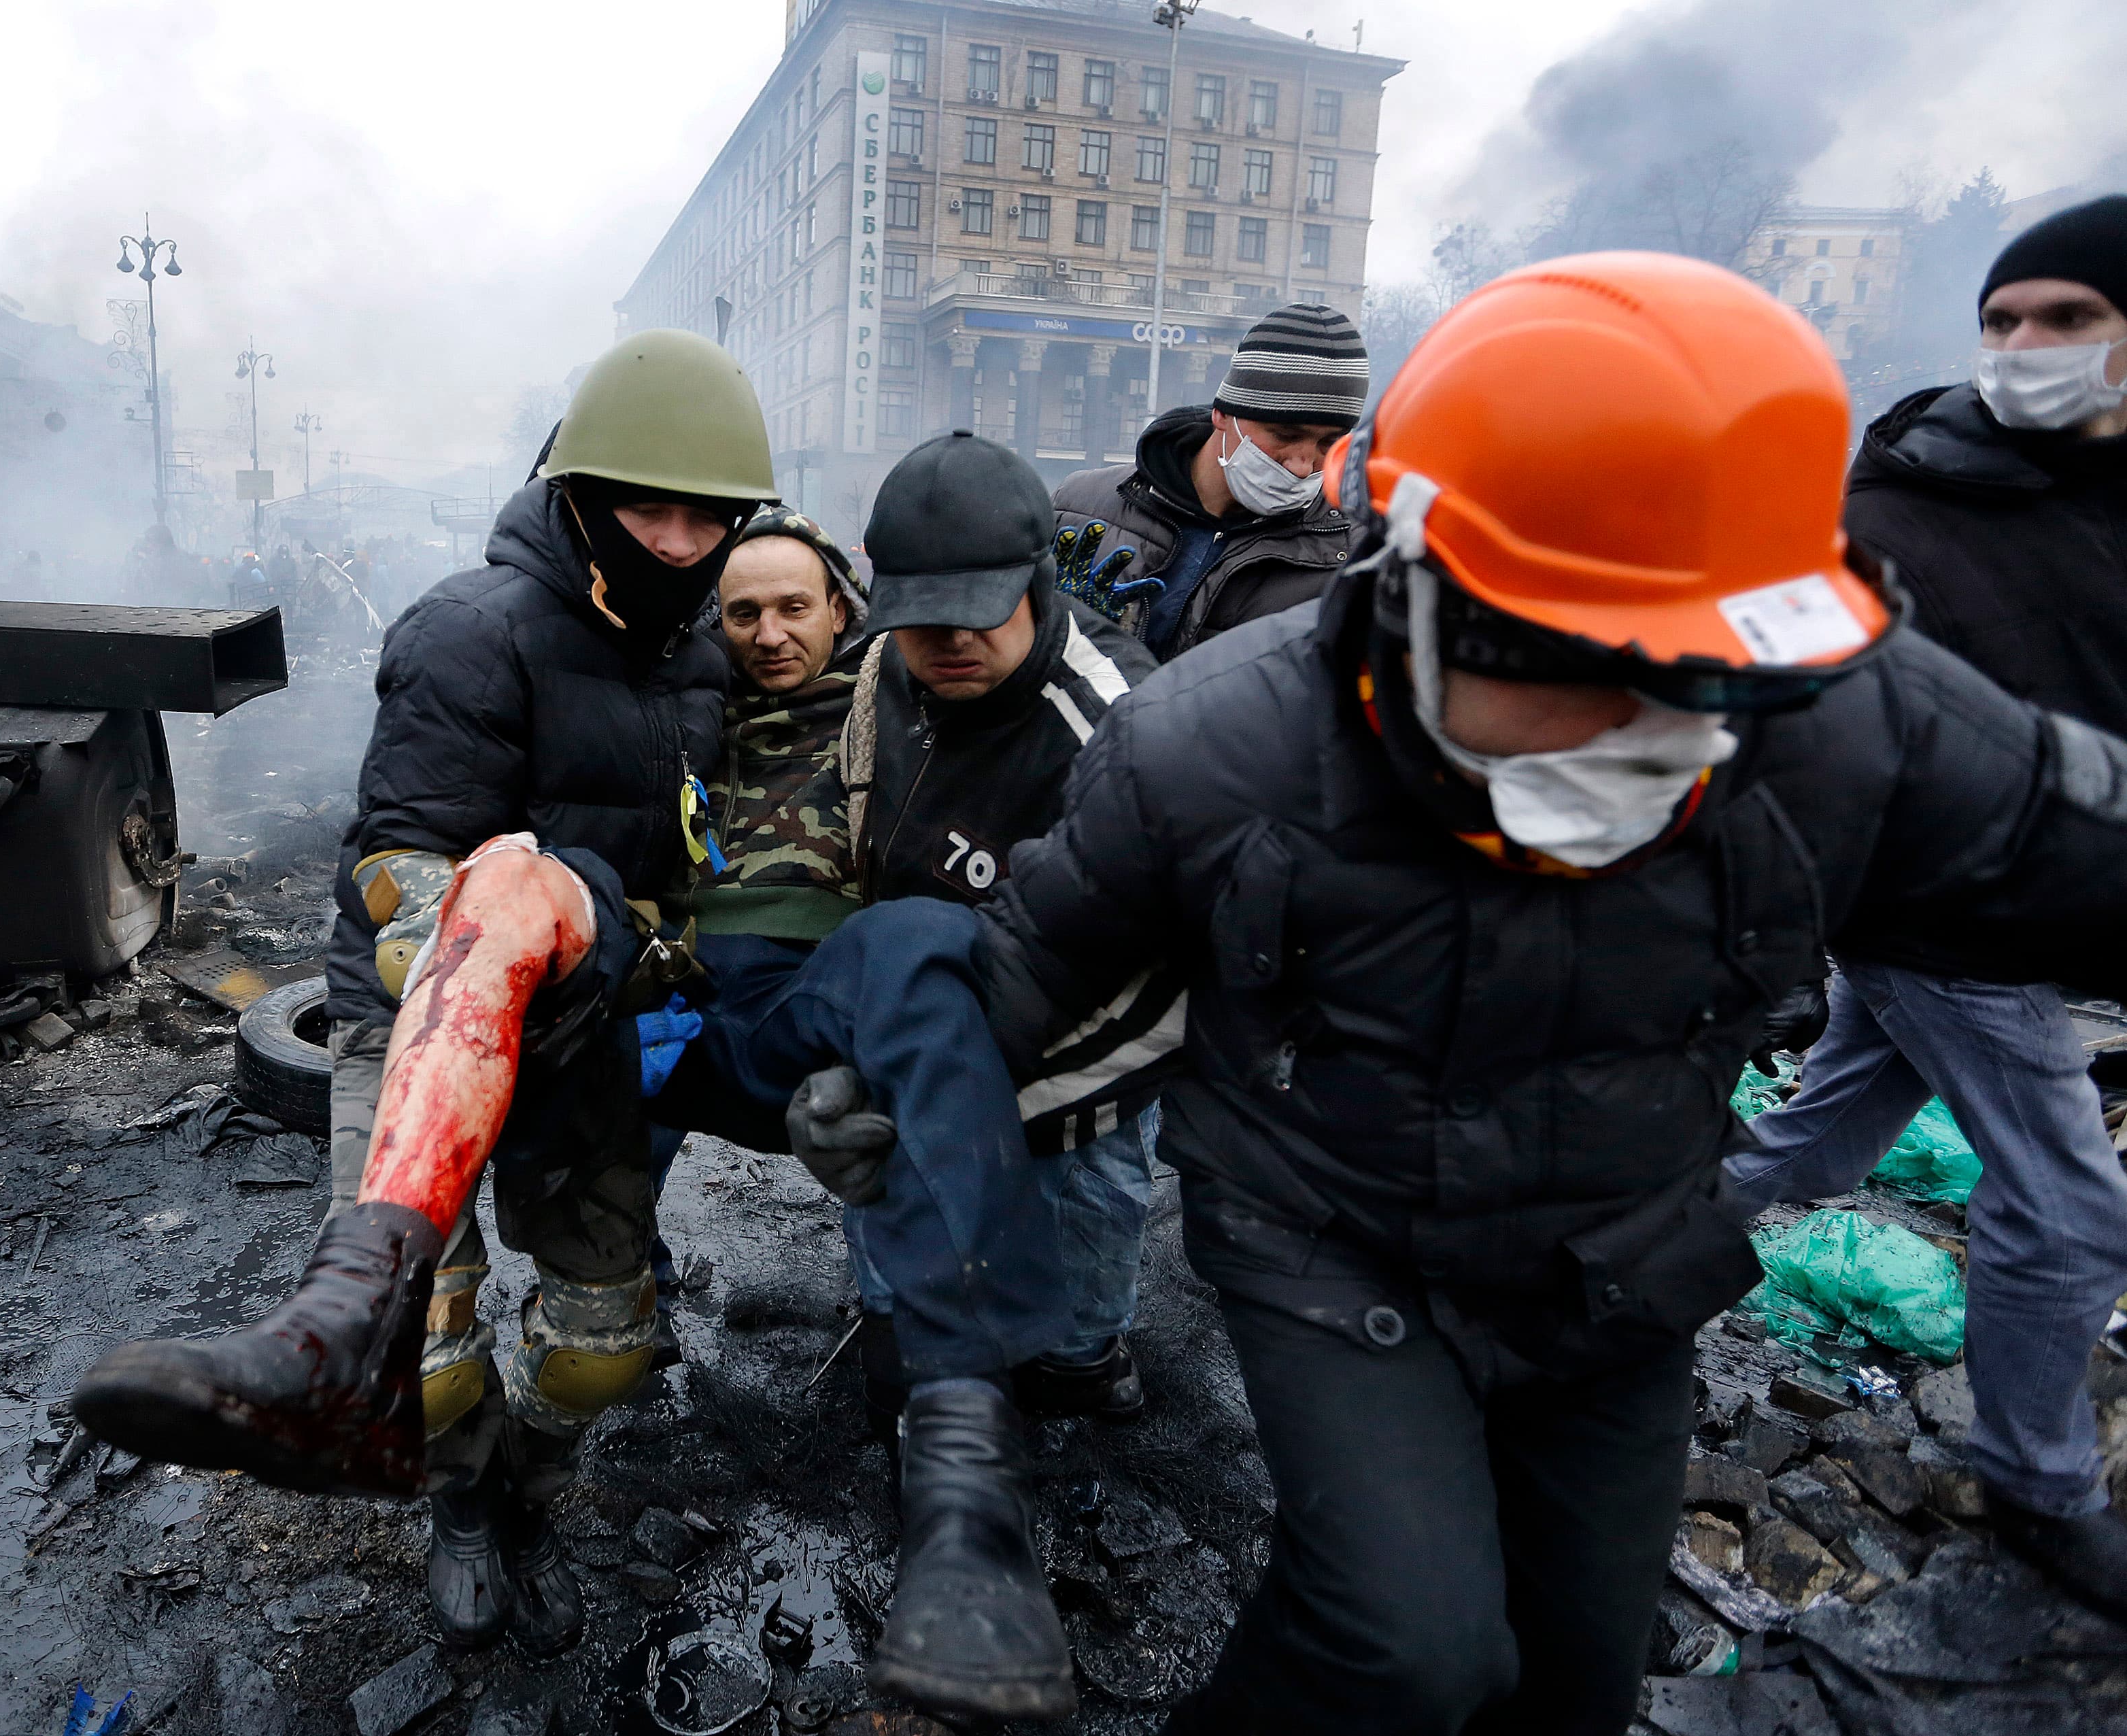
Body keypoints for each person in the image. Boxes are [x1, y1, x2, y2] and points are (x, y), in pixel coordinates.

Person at [963, 250, 2127, 1733]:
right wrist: (896, 1083)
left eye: (1691, 674)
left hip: (1619, 1258)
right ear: (1418, 583)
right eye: (1564, 654)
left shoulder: (1839, 719)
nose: (1623, 723)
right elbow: (1040, 951)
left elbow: (2069, 827)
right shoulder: (1216, 748)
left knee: (1576, 1670)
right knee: (1399, 1647)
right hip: (1331, 1232)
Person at [75, 345, 1090, 1724]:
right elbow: (399, 864)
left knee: (602, 1342)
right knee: (430, 1352)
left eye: (704, 515)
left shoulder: (701, 655)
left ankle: (530, 1486)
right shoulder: (468, 628)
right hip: (428, 1013)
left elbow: (810, 742)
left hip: (603, 1010)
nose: (675, 540)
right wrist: (504, 938)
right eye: (642, 506)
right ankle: (451, 1493)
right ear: (575, 493)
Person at [1726, 193, 2127, 1618]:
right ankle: (2038, 1483)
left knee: (1814, 1144)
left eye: (2066, 317)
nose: (2025, 345)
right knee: (2070, 1209)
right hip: (1944, 919)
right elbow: (1807, 731)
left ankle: (1593, 1257)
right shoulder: (1895, 512)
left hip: (2041, 918)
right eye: (2004, 318)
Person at [673, 450, 1161, 1431]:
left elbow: (1151, 997)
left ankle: (1080, 1363)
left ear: (1036, 580)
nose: (945, 643)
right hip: (928, 996)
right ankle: (907, 1342)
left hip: (1076, 1043)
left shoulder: (1124, 741)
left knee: (1081, 1202)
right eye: (918, 616)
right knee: (901, 1223)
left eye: (975, 611)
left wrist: (964, 1097)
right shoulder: (887, 672)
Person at [1050, 302, 1362, 658]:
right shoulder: (1078, 505)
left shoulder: (1352, 551)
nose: (1303, 466)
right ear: (1223, 413)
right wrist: (1056, 632)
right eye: (1285, 435)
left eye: (1328, 443)